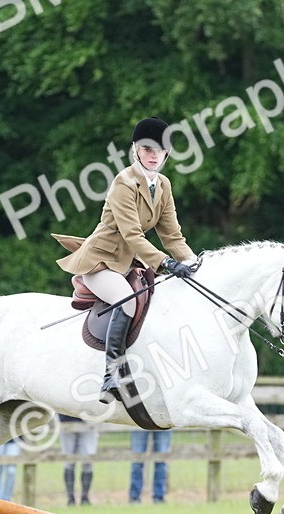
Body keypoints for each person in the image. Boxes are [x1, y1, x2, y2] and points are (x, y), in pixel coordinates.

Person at [56, 116, 198, 404]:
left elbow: (172, 236)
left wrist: (195, 263)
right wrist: (166, 263)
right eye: (147, 149)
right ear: (136, 149)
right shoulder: (124, 181)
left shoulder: (164, 185)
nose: (153, 155)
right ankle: (111, 374)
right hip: (101, 260)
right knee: (127, 300)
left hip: (129, 262)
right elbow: (132, 235)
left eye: (159, 150)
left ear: (167, 153)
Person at [58, 414, 99, 505]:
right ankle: (71, 498)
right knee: (69, 462)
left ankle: (85, 497)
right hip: (66, 421)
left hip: (88, 422)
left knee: (88, 461)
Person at [129, 430, 172, 503]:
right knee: (137, 460)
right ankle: (134, 497)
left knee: (162, 460)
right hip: (139, 422)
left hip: (162, 421)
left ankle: (159, 497)